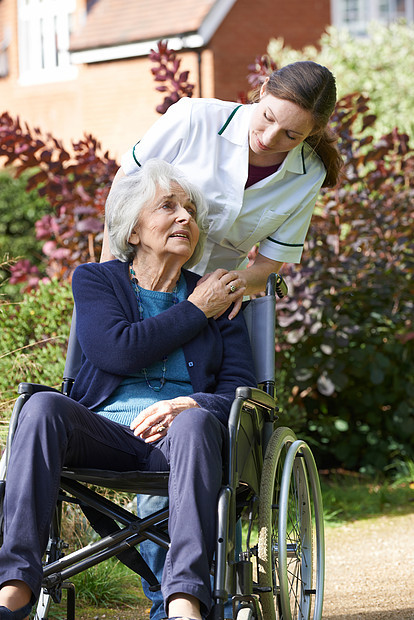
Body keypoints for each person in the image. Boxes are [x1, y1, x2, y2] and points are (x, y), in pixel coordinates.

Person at [100, 60, 344, 620]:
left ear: (313, 136)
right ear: (258, 94)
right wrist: (121, 289)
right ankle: (174, 594)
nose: (269, 139)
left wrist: (219, 290)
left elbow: (272, 262)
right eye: (267, 120)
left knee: (191, 429)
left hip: (221, 311)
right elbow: (125, 199)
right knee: (144, 418)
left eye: (292, 134)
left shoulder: (305, 172)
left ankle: (177, 598)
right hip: (148, 290)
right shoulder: (192, 119)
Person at [0, 159, 257, 620]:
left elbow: (242, 391)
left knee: (196, 419)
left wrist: (191, 401)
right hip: (104, 436)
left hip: (181, 442)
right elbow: (116, 352)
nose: (185, 218)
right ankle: (14, 588)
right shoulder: (97, 281)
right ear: (133, 229)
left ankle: (184, 603)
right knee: (39, 408)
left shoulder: (221, 298)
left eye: (191, 212)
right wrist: (196, 310)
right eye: (168, 206)